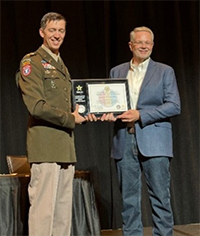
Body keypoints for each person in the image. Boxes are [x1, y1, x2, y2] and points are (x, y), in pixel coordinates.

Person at [101, 26, 181, 236]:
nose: (144, 46)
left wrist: (141, 115)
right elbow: (111, 103)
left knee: (160, 198)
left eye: (148, 43)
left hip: (155, 140)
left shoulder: (165, 71)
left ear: (152, 46)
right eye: (139, 42)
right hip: (124, 140)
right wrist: (108, 113)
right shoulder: (117, 71)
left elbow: (174, 105)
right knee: (128, 200)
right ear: (131, 45)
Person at [16, 12, 86, 236]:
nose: (57, 35)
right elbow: (36, 106)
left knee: (62, 214)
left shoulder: (60, 64)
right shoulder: (32, 62)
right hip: (45, 147)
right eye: (53, 30)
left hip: (65, 147)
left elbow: (68, 103)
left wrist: (86, 112)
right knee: (43, 212)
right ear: (42, 32)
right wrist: (70, 118)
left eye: (61, 30)